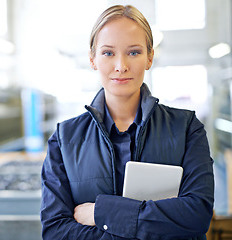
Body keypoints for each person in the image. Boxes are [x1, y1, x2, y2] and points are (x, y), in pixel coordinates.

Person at [40, 4, 214, 240]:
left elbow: (197, 216)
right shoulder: (64, 139)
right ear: (92, 59)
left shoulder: (186, 128)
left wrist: (101, 213)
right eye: (108, 53)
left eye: (133, 52)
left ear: (149, 57)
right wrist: (145, 226)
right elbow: (55, 231)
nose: (121, 66)